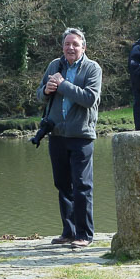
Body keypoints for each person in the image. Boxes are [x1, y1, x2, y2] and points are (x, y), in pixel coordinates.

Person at [35, 28, 102, 248]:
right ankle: (69, 232)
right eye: (67, 44)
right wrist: (46, 90)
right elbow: (39, 96)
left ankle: (85, 234)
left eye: (75, 44)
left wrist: (63, 85)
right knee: (63, 185)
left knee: (82, 185)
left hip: (81, 135)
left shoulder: (92, 68)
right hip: (57, 134)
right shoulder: (55, 65)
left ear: (84, 47)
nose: (70, 48)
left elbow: (90, 98)